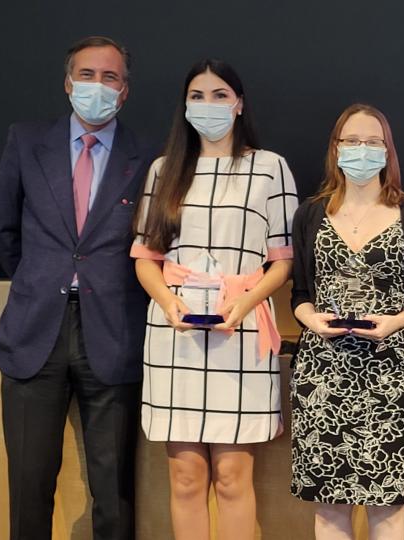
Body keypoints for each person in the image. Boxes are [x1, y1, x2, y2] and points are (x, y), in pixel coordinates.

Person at [0, 36, 150, 540]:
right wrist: (42, 281)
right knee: (30, 484)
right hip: (35, 331)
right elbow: (3, 232)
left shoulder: (148, 155)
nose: (96, 86)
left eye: (110, 78)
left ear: (124, 91)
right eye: (87, 75)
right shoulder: (26, 140)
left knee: (114, 490)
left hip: (115, 332)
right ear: (67, 83)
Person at [130, 59, 298, 539]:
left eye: (220, 95)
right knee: (184, 478)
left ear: (239, 104)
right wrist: (168, 302)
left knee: (231, 477)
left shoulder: (269, 168)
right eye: (198, 96)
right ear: (184, 107)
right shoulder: (165, 170)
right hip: (175, 334)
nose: (209, 105)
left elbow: (282, 263)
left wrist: (244, 305)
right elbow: (146, 257)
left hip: (239, 329)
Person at [289, 103, 404, 540]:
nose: (361, 149)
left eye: (372, 142)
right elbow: (299, 295)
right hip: (322, 373)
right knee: (329, 506)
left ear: (387, 151)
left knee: (387, 504)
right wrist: (311, 321)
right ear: (335, 148)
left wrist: (395, 322)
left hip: (391, 372)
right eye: (351, 141)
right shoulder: (310, 214)